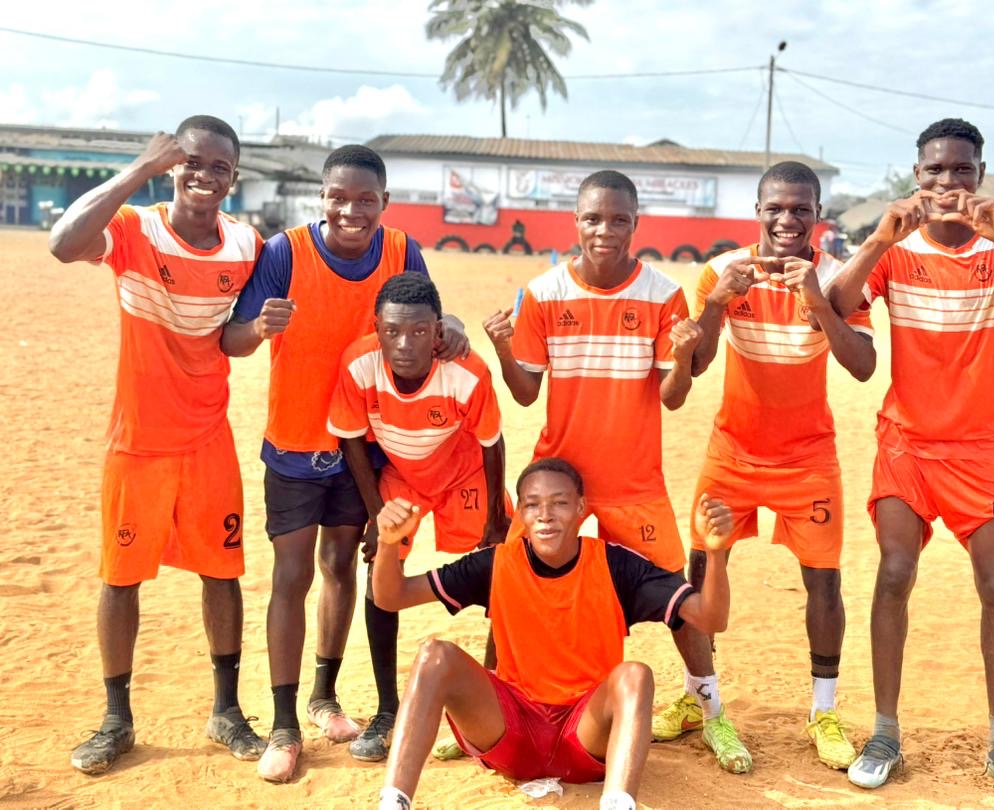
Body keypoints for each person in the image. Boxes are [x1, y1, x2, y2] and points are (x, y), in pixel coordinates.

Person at [827, 118, 994, 805]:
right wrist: (877, 239)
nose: (947, 182)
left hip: (979, 448)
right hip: (906, 444)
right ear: (917, 176)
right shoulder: (895, 247)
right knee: (895, 573)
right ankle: (884, 733)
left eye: (961, 169)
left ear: (980, 175)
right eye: (935, 170)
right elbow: (837, 305)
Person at [221, 145, 469, 781]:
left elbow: (427, 315)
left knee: (341, 566)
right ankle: (283, 724)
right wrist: (259, 329)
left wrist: (455, 324)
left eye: (365, 200)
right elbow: (232, 338)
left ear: (385, 203)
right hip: (296, 442)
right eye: (338, 197)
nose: (351, 210)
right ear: (322, 198)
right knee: (292, 575)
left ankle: (324, 697)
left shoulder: (401, 250)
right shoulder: (286, 252)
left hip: (364, 447)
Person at [481, 170, 728, 767]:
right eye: (593, 218)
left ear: (636, 224)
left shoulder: (663, 294)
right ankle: (492, 710)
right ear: (576, 221)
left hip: (633, 482)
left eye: (619, 220)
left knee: (680, 598)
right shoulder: (543, 293)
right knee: (510, 584)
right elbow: (524, 393)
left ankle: (712, 711)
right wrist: (503, 347)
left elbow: (672, 398)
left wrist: (682, 357)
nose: (605, 231)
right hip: (557, 484)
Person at [48, 116, 265, 774]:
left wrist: (258, 330)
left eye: (220, 167)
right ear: (172, 165)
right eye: (191, 161)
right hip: (137, 441)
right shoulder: (134, 228)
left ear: (234, 177)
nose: (205, 175)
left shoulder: (246, 245)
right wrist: (138, 169)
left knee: (222, 573)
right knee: (120, 580)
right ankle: (116, 719)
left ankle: (226, 711)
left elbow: (233, 339)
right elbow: (62, 243)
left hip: (207, 438)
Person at [660, 161, 876, 773]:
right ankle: (699, 699)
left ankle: (823, 712)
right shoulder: (722, 271)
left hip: (808, 458)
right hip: (731, 452)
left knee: (823, 582)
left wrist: (818, 303)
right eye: (775, 208)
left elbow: (863, 366)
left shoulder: (837, 277)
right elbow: (697, 363)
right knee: (700, 572)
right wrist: (717, 303)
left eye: (801, 209)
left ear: (818, 215)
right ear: (757, 211)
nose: (787, 220)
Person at [371, 458, 734, 810]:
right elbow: (391, 596)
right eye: (532, 505)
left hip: (585, 736)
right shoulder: (498, 563)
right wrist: (389, 543)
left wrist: (715, 554)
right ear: (521, 514)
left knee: (636, 675)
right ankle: (394, 801)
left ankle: (618, 802)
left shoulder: (615, 565)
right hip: (511, 734)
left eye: (559, 503)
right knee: (435, 655)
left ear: (581, 508)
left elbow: (709, 618)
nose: (545, 515)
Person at [325, 271, 512, 711]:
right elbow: (350, 440)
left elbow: (492, 443)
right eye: (392, 331)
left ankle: (498, 693)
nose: (405, 344)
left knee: (507, 565)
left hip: (463, 473)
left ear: (438, 331)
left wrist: (495, 518)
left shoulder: (467, 372)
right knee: (382, 571)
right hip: (403, 477)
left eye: (419, 331)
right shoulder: (359, 364)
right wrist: (378, 517)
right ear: (377, 329)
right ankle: (387, 708)